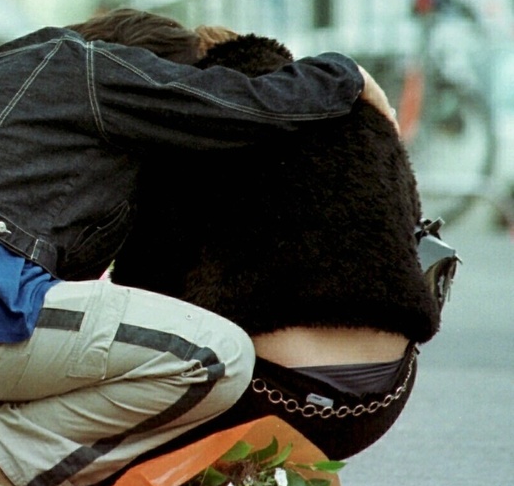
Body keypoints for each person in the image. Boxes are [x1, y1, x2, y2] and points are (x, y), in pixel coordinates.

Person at [0, 9, 396, 486]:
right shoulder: (91, 68)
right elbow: (243, 104)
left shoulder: (5, 72)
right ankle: (9, 463)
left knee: (106, 355)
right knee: (217, 357)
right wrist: (345, 74)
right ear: (147, 65)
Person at [110, 30, 440, 462]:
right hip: (385, 394)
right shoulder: (365, 116)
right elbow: (408, 233)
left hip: (266, 395)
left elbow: (144, 280)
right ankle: (291, 479)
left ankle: (227, 478)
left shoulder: (195, 126)